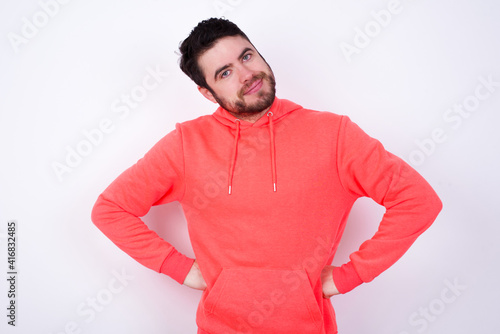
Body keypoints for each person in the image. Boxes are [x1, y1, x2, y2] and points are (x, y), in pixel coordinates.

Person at [91, 17, 442, 334]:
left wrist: (351, 275)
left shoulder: (334, 135)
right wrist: (178, 267)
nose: (246, 75)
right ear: (207, 93)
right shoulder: (187, 145)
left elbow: (417, 201)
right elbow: (110, 209)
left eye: (246, 56)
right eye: (224, 73)